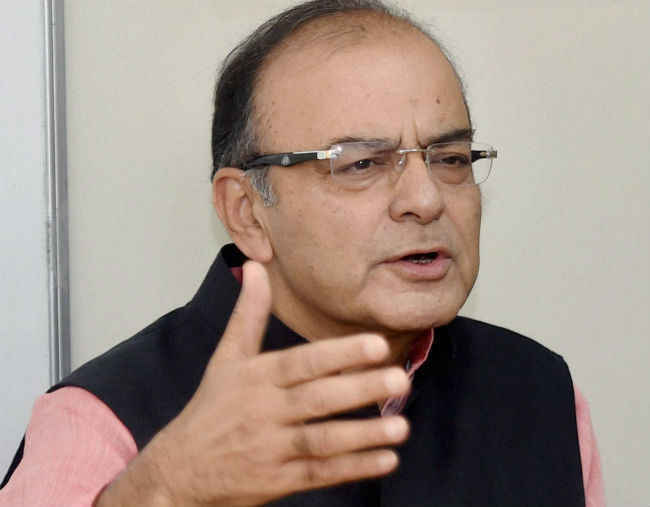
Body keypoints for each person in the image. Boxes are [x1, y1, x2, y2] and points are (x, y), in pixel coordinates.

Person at [0, 1, 605, 505]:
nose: (425, 200)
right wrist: (158, 492)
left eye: (449, 159)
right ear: (246, 211)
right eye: (361, 164)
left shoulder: (541, 392)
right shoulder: (99, 421)